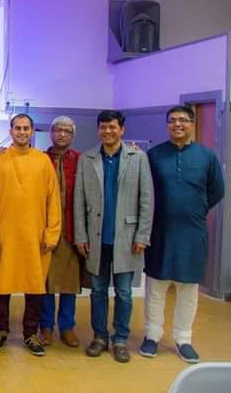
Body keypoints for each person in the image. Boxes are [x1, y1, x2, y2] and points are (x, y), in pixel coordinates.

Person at [140, 105, 225, 364]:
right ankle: (152, 335)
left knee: (188, 288)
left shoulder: (207, 157)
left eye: (183, 120)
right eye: (172, 120)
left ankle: (183, 338)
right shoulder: (154, 155)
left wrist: (194, 209)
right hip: (160, 232)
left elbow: (217, 191)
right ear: (167, 124)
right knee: (156, 286)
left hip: (192, 233)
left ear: (192, 123)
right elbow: (145, 190)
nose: (177, 124)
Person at [74, 110, 154, 363]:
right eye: (103, 127)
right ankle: (99, 336)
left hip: (127, 239)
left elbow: (147, 199)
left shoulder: (137, 158)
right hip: (96, 239)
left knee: (124, 293)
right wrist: (80, 235)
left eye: (112, 127)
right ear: (98, 129)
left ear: (122, 129)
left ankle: (120, 339)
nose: (107, 131)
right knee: (97, 292)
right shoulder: (87, 158)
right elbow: (79, 200)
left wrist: (142, 235)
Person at [0, 114, 61, 356]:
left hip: (36, 236)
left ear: (32, 131)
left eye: (26, 128)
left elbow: (53, 200)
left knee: (34, 286)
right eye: (18, 128)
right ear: (11, 131)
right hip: (4, 236)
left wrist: (52, 234)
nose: (22, 132)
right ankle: (1, 330)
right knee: (1, 285)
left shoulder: (43, 161)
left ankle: (31, 333)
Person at [39, 116, 83, 348]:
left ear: (73, 135)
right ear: (51, 133)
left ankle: (67, 327)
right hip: (44, 230)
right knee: (45, 281)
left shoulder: (81, 160)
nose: (62, 134)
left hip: (72, 230)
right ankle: (45, 326)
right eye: (58, 130)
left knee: (69, 281)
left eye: (67, 131)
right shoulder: (40, 159)